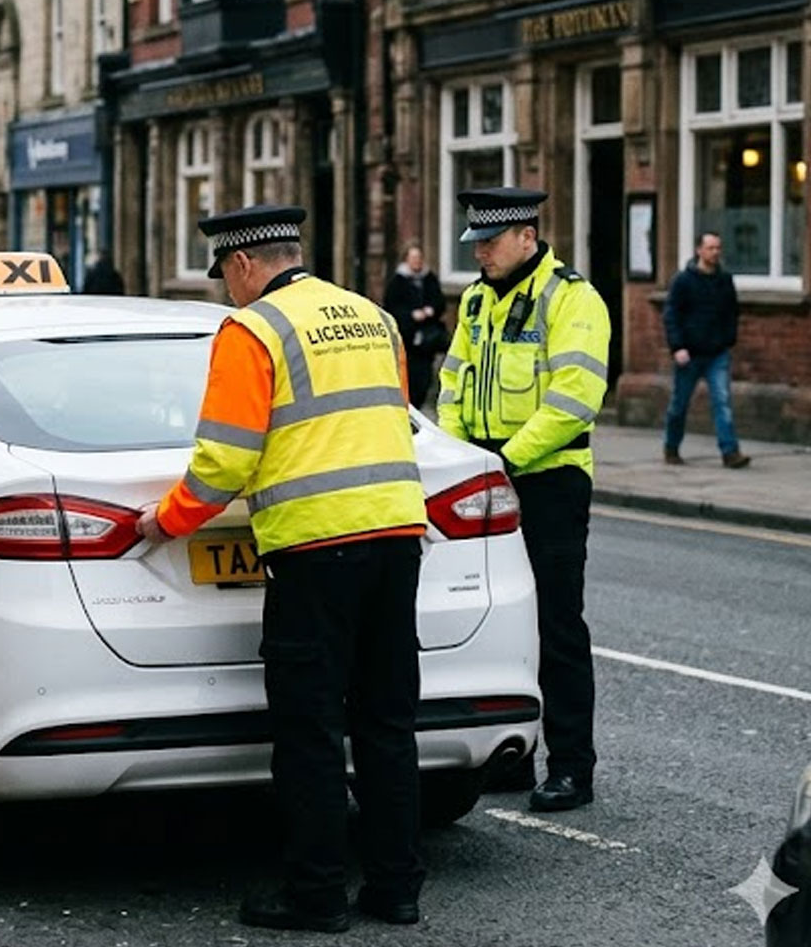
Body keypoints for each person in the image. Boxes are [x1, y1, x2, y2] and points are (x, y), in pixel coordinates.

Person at [136, 205, 428, 933]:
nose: (228, 293)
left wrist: (164, 522)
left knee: (311, 730)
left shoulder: (254, 329)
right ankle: (396, 889)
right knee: (389, 722)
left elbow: (225, 460)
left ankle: (317, 893)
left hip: (313, 549)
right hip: (397, 537)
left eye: (226, 279)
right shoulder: (372, 316)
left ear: (241, 265)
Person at [437, 186, 609, 814]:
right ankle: (518, 757)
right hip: (484, 479)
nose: (479, 251)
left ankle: (572, 766)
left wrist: (505, 460)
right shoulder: (479, 300)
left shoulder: (572, 298)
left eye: (489, 240)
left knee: (557, 625)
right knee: (499, 620)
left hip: (548, 480)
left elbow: (575, 397)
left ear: (527, 238)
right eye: (476, 241)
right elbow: (452, 381)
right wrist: (460, 458)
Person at [661, 230, 749, 468]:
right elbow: (671, 315)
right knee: (679, 405)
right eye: (711, 248)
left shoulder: (724, 280)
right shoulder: (683, 280)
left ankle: (730, 452)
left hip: (717, 352)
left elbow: (732, 312)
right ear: (699, 250)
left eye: (718, 248)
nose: (715, 252)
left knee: (722, 401)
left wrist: (728, 339)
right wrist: (677, 346)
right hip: (688, 353)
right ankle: (671, 447)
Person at [384, 243, 448, 408]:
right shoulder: (397, 282)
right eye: (413, 258)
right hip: (409, 339)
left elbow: (439, 301)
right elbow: (392, 308)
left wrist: (430, 310)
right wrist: (411, 315)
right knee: (411, 376)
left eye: (419, 258)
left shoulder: (429, 279)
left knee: (425, 377)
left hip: (428, 339)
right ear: (406, 260)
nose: (417, 261)